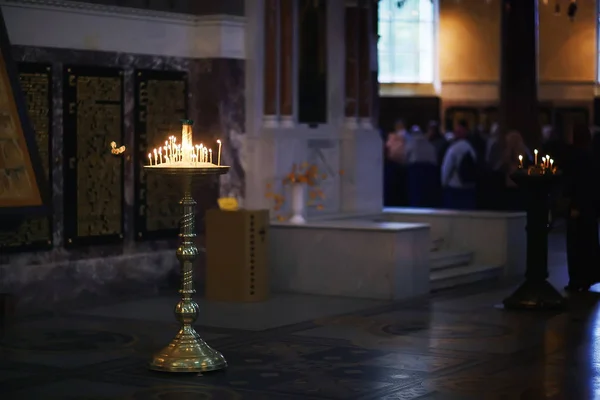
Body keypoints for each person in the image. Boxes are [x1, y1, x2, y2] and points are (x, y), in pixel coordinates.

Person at [564, 124, 600, 291]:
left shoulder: (576, 157)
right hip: (590, 208)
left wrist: (574, 204)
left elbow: (577, 184)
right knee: (589, 243)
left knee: (576, 244)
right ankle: (588, 277)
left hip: (579, 207)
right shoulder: (591, 156)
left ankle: (576, 280)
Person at [440, 120, 477, 210]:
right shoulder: (471, 148)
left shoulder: (453, 149)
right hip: (470, 189)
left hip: (454, 189)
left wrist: (443, 183)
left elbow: (446, 169)